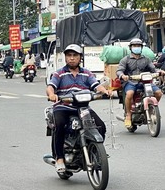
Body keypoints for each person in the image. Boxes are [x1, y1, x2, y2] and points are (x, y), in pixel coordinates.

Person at [46, 44, 110, 173]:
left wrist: (104, 90)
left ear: (80, 57)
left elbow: (96, 85)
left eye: (75, 55)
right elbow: (51, 86)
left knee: (101, 126)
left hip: (83, 107)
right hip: (63, 106)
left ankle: (96, 152)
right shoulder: (59, 74)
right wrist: (52, 95)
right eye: (69, 55)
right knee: (60, 125)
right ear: (65, 58)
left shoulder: (86, 73)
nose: (72, 58)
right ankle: (59, 158)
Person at [116, 38, 164, 128]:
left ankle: (152, 108)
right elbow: (119, 70)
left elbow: (153, 69)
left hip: (145, 82)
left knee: (158, 93)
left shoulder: (146, 59)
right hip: (131, 82)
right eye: (134, 46)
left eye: (138, 46)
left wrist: (160, 71)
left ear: (141, 48)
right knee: (129, 94)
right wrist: (123, 75)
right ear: (131, 48)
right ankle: (129, 114)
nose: (136, 47)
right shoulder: (125, 60)